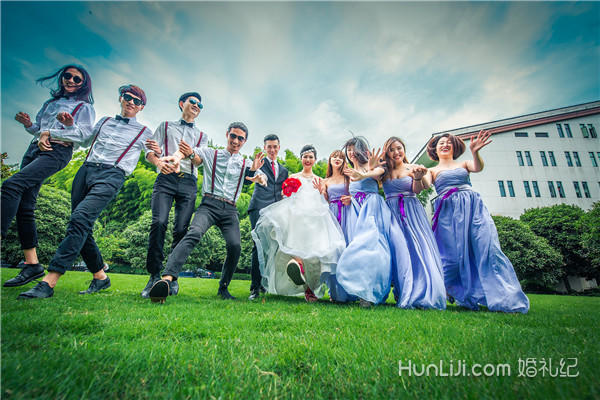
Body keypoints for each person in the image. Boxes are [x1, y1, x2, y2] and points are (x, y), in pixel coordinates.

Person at [17, 85, 152, 299]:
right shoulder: (104, 121)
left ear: (141, 107)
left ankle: (49, 281)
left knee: (79, 219)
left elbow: (152, 154)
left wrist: (160, 158)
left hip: (112, 174)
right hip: (86, 170)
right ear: (121, 98)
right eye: (128, 97)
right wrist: (65, 127)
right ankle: (100, 276)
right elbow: (83, 140)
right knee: (82, 226)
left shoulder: (145, 132)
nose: (131, 102)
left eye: (137, 101)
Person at [148, 122, 266, 302]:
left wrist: (259, 177)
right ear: (227, 135)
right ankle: (166, 279)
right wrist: (180, 156)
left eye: (240, 138)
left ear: (245, 141)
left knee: (235, 246)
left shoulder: (247, 163)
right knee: (194, 233)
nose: (235, 141)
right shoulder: (212, 153)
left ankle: (223, 287)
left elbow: (261, 176)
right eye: (233, 136)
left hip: (230, 210)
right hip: (209, 205)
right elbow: (193, 154)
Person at [2, 65, 95, 289]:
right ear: (62, 78)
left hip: (57, 151)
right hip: (34, 149)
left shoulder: (84, 107)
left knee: (11, 185)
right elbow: (39, 129)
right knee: (25, 205)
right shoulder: (50, 103)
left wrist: (69, 125)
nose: (71, 80)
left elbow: (84, 136)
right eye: (67, 76)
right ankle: (32, 264)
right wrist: (29, 125)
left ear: (83, 84)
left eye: (77, 79)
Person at [427, 131, 529, 313]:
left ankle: (505, 298)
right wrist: (418, 176)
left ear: (454, 147)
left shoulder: (464, 164)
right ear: (435, 149)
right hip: (448, 214)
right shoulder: (432, 171)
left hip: (473, 209)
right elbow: (425, 183)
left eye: (449, 142)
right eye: (441, 143)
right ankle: (458, 292)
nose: (445, 145)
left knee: (487, 249)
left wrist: (475, 152)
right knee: (452, 256)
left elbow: (478, 167)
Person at [251, 145, 346, 303]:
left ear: (315, 160)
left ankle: (310, 288)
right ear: (301, 159)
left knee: (315, 255)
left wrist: (321, 191)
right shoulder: (293, 177)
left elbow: (326, 201)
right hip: (297, 218)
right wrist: (286, 193)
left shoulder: (320, 180)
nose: (308, 160)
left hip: (315, 219)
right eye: (305, 157)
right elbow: (286, 197)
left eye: (311, 157)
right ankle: (300, 271)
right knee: (296, 248)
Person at [140, 92, 208, 299]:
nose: (196, 106)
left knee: (181, 229)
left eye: (200, 105)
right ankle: (153, 275)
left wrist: (190, 153)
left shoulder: (202, 136)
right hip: (166, 178)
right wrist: (158, 162)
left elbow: (199, 161)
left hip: (188, 181)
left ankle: (172, 276)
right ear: (181, 104)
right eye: (192, 102)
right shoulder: (166, 126)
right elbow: (150, 151)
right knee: (158, 222)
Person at [334, 136, 411, 307]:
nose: (351, 153)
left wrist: (366, 171)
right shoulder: (348, 171)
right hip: (355, 212)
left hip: (372, 210)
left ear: (362, 150)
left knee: (373, 250)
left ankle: (370, 293)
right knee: (355, 249)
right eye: (349, 150)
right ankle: (357, 290)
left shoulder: (373, 164)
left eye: (354, 149)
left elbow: (379, 173)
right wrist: (350, 199)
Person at [381, 137, 446, 310]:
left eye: (399, 148)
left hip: (411, 211)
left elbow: (419, 189)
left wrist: (418, 178)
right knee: (398, 251)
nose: (396, 152)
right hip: (391, 213)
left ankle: (422, 291)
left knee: (417, 248)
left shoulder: (414, 167)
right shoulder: (383, 171)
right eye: (391, 150)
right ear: (387, 153)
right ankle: (403, 289)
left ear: (404, 149)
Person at [247, 134, 289, 300]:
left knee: (273, 247)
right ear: (264, 148)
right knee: (258, 246)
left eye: (275, 146)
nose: (272, 150)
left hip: (276, 211)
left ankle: (267, 284)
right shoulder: (259, 164)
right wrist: (259, 177)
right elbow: (257, 175)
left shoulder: (284, 170)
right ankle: (255, 288)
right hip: (259, 207)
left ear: (279, 147)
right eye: (269, 147)